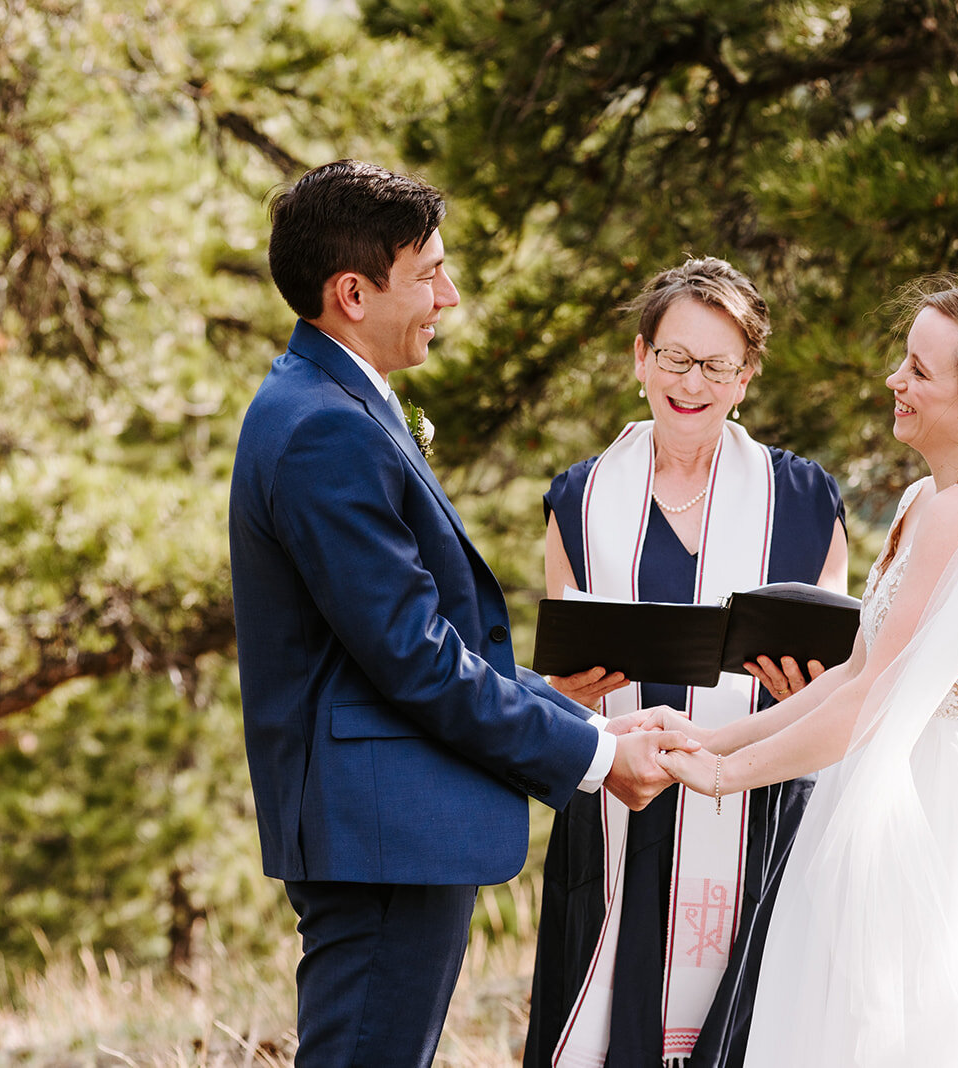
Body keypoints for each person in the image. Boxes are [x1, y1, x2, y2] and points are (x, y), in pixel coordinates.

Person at [227, 159, 693, 1068]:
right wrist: (599, 757)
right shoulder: (325, 427)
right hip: (382, 837)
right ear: (352, 292)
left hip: (390, 828)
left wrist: (577, 712)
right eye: (430, 273)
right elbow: (415, 659)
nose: (452, 294)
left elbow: (397, 643)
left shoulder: (335, 402)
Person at [654, 282, 958, 1067]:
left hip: (923, 796)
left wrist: (723, 775)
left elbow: (879, 702)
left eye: (920, 371)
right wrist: (714, 736)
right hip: (885, 774)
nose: (895, 380)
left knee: (864, 1027)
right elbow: (856, 668)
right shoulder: (928, 497)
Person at [524, 258, 850, 1068]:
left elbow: (842, 667)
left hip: (754, 802)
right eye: (675, 357)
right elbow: (559, 668)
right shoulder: (579, 498)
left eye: (716, 365)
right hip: (618, 810)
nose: (691, 382)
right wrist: (568, 692)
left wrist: (803, 686)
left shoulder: (805, 499)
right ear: (640, 358)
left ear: (746, 377)